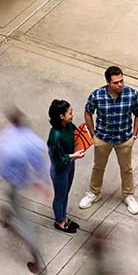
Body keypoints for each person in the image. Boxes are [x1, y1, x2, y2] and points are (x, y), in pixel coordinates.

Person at [0, 107, 50, 275]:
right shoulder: (32, 140)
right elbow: (40, 165)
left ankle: (38, 261)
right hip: (23, 182)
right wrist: (40, 184)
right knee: (18, 208)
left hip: (12, 184)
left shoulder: (5, 141)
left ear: (10, 123)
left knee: (25, 223)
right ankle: (7, 216)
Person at [79, 66, 138, 215]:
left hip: (124, 138)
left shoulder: (131, 94)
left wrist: (134, 135)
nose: (120, 85)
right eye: (116, 82)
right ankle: (94, 193)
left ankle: (128, 195)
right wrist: (92, 133)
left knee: (126, 168)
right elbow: (88, 112)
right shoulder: (97, 95)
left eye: (121, 81)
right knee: (98, 167)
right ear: (108, 82)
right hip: (103, 138)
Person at [47, 99, 87, 233]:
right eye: (70, 113)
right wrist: (73, 156)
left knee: (66, 193)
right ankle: (59, 221)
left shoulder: (69, 125)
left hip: (69, 165)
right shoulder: (55, 136)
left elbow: (76, 137)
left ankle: (63, 217)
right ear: (61, 116)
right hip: (60, 170)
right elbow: (57, 159)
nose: (72, 115)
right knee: (60, 196)